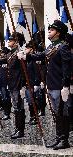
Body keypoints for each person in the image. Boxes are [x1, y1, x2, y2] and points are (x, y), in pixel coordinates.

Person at [21, 20, 71, 150]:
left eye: (52, 30)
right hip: (51, 84)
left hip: (60, 86)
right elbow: (40, 56)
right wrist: (27, 56)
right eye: (49, 29)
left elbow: (67, 68)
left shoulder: (63, 47)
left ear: (58, 33)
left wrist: (66, 86)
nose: (49, 31)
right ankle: (58, 137)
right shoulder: (50, 47)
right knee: (56, 113)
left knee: (62, 113)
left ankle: (64, 140)